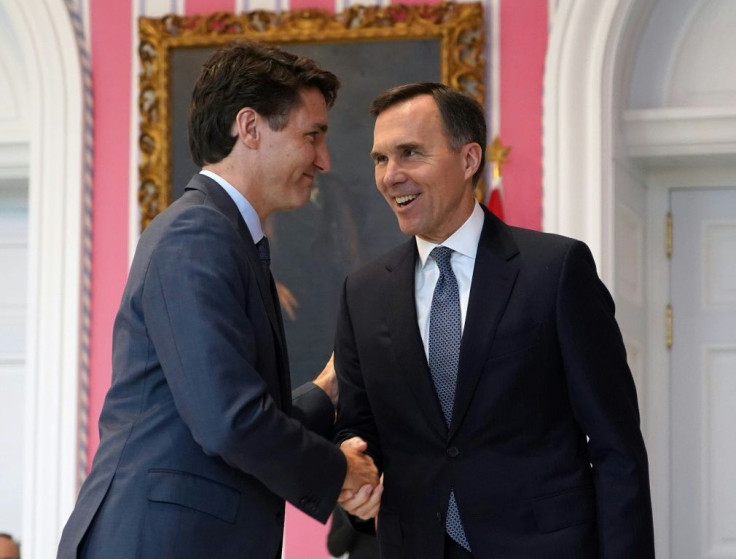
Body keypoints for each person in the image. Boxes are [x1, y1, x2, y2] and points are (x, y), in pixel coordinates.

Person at [57, 40, 377, 559]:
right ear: (249, 127)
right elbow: (229, 421)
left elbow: (224, 413)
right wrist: (340, 472)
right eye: (312, 135)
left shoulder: (226, 237)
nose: (324, 159)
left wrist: (328, 387)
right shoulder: (198, 234)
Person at [334, 82, 655, 558]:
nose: (390, 176)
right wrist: (352, 476)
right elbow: (357, 428)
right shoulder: (363, 291)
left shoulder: (555, 270)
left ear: (468, 160)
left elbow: (616, 445)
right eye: (380, 159)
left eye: (410, 153)